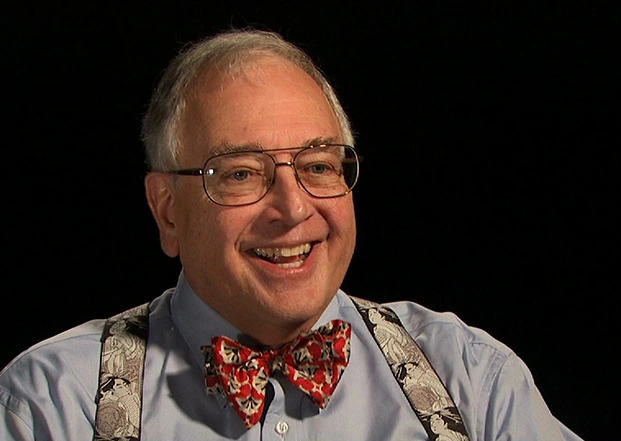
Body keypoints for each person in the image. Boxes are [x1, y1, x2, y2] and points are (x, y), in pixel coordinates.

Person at [0, 28, 582, 440]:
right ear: (168, 211)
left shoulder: (472, 378)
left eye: (319, 166)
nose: (293, 207)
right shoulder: (55, 404)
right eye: (242, 174)